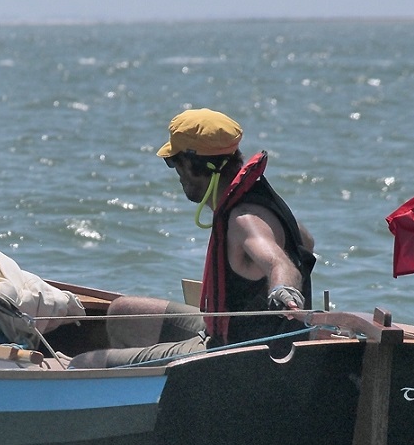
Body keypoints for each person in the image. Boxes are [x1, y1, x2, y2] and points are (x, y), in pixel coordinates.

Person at [69, 108, 315, 368]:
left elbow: (279, 262)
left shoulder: (244, 220)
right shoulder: (260, 196)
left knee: (82, 365)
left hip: (235, 354)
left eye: (173, 161)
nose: (175, 171)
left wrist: (284, 291)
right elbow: (305, 243)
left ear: (191, 164)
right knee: (122, 312)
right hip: (227, 329)